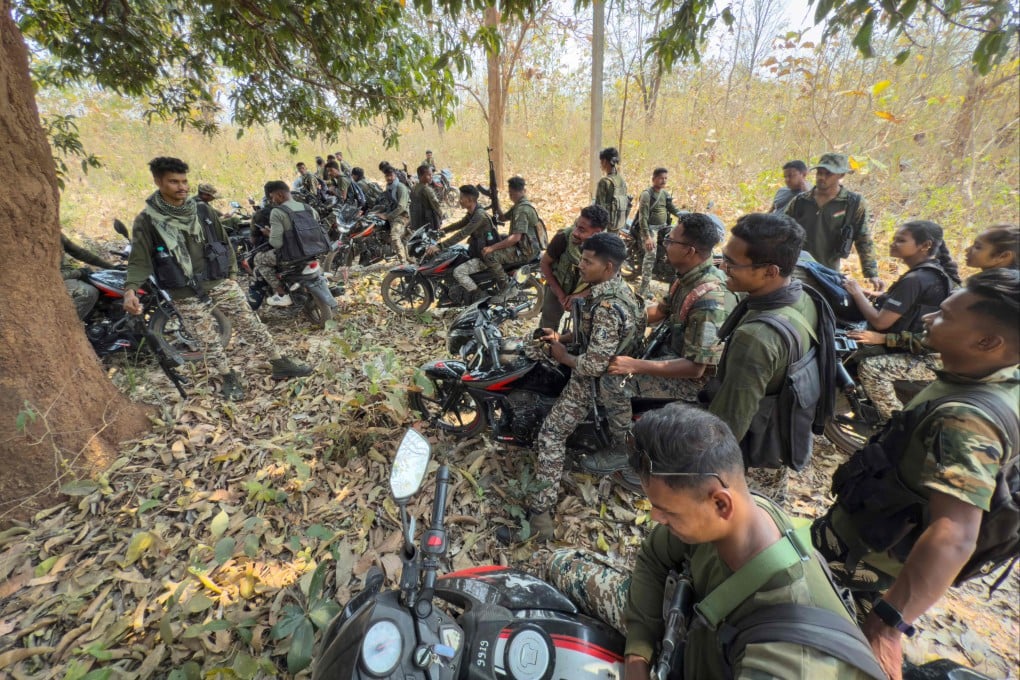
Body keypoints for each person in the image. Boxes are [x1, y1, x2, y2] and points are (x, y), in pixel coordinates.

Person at [547, 404, 882, 680]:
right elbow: (653, 556)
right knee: (560, 564)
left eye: (667, 511)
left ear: (721, 504)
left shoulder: (786, 659)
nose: (656, 518)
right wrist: (638, 654)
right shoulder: (732, 519)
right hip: (690, 643)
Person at [813, 269, 1020, 680]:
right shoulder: (990, 380)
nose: (927, 318)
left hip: (865, 562)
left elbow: (955, 533)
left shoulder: (967, 421)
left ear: (987, 342)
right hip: (868, 545)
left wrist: (888, 624)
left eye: (944, 316)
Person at [124, 157, 311, 400]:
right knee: (207, 339)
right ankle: (227, 376)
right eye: (173, 182)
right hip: (184, 290)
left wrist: (231, 275)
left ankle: (279, 362)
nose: (182, 187)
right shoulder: (147, 220)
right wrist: (130, 290)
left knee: (250, 323)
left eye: (184, 181)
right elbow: (139, 260)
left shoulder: (202, 210)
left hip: (218, 280)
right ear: (158, 182)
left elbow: (224, 242)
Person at [515, 233, 641, 541]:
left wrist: (564, 356)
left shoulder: (607, 306)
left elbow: (593, 365)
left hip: (593, 381)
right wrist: (562, 338)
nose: (580, 265)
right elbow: (596, 336)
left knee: (551, 435)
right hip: (609, 369)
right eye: (581, 259)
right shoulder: (624, 292)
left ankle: (541, 518)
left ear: (607, 266)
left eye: (587, 261)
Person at [705, 213, 830, 505]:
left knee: (746, 519)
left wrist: (705, 471)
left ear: (770, 271)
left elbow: (730, 421)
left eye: (732, 263)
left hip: (753, 457)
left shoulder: (757, 338)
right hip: (783, 438)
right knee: (772, 508)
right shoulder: (801, 295)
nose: (723, 268)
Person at [605, 212, 737, 412]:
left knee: (611, 384)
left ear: (689, 251)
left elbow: (695, 369)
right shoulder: (686, 278)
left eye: (670, 241)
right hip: (670, 355)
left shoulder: (709, 301)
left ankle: (625, 432)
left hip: (693, 383)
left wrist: (635, 365)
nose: (665, 245)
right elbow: (659, 311)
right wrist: (616, 317)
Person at [843, 220, 961, 420]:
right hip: (925, 348)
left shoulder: (916, 279)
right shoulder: (933, 273)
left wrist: (856, 293)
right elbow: (908, 307)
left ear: (925, 245)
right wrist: (871, 294)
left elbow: (880, 322)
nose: (893, 243)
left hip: (932, 356)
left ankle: (896, 423)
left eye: (901, 240)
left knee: (871, 368)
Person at [785, 153, 882, 290]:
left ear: (841, 175)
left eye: (828, 174)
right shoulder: (801, 201)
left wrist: (871, 273)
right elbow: (782, 229)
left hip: (828, 271)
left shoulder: (852, 203)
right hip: (797, 267)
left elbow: (863, 238)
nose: (821, 177)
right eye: (819, 172)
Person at [424, 185, 504, 302]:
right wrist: (441, 231)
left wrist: (440, 246)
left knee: (458, 272)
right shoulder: (473, 213)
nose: (459, 200)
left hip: (486, 257)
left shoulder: (479, 216)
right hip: (477, 251)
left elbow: (463, 233)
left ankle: (479, 295)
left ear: (470, 200)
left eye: (461, 198)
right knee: (455, 255)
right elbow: (459, 224)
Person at [538, 205, 610, 331]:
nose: (575, 233)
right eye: (576, 225)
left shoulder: (607, 248)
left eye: (582, 230)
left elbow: (609, 281)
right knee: (547, 326)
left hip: (587, 295)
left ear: (597, 233)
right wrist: (561, 296)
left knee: (583, 331)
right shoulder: (563, 237)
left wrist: (581, 295)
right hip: (557, 287)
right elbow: (544, 263)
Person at [252, 181, 319, 307]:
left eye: (272, 197)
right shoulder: (308, 208)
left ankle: (282, 294)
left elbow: (276, 243)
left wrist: (269, 234)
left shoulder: (277, 212)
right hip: (313, 251)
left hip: (292, 255)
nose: (272, 201)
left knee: (258, 260)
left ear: (279, 195)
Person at [480, 176, 543, 300]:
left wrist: (492, 248)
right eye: (509, 193)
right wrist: (495, 200)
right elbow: (502, 218)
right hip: (527, 245)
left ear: (518, 192)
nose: (510, 196)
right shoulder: (519, 205)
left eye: (511, 193)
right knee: (499, 238)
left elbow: (515, 238)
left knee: (490, 256)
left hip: (526, 251)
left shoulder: (522, 209)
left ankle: (507, 289)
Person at [635, 167, 684, 297]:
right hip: (650, 228)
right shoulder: (647, 194)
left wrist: (685, 215)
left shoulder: (665, 194)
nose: (664, 181)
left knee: (677, 246)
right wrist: (647, 237)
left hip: (664, 227)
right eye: (661, 178)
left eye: (666, 178)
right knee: (651, 254)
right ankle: (644, 289)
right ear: (654, 179)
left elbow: (673, 209)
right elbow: (642, 217)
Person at [61, 234, 118, 320]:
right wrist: (78, 273)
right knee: (89, 293)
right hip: (58, 279)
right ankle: (65, 323)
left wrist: (112, 267)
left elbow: (80, 253)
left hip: (69, 273)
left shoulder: (54, 234)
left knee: (103, 286)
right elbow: (46, 277)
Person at [372, 165, 411, 261]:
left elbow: (401, 207)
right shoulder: (389, 188)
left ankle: (403, 261)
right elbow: (388, 203)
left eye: (391, 175)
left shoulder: (401, 187)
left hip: (402, 215)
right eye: (387, 176)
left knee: (394, 235)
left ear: (395, 175)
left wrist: (387, 216)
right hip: (393, 214)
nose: (389, 178)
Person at [595, 147, 627, 233]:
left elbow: (599, 208)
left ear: (605, 161)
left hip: (605, 228)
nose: (601, 164)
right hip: (618, 224)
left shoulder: (604, 182)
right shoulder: (621, 180)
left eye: (601, 162)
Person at [409, 164, 443, 231]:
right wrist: (441, 216)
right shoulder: (427, 189)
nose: (431, 177)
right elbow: (436, 206)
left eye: (431, 175)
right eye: (429, 175)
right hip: (428, 222)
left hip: (416, 222)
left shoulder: (414, 187)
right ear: (420, 176)